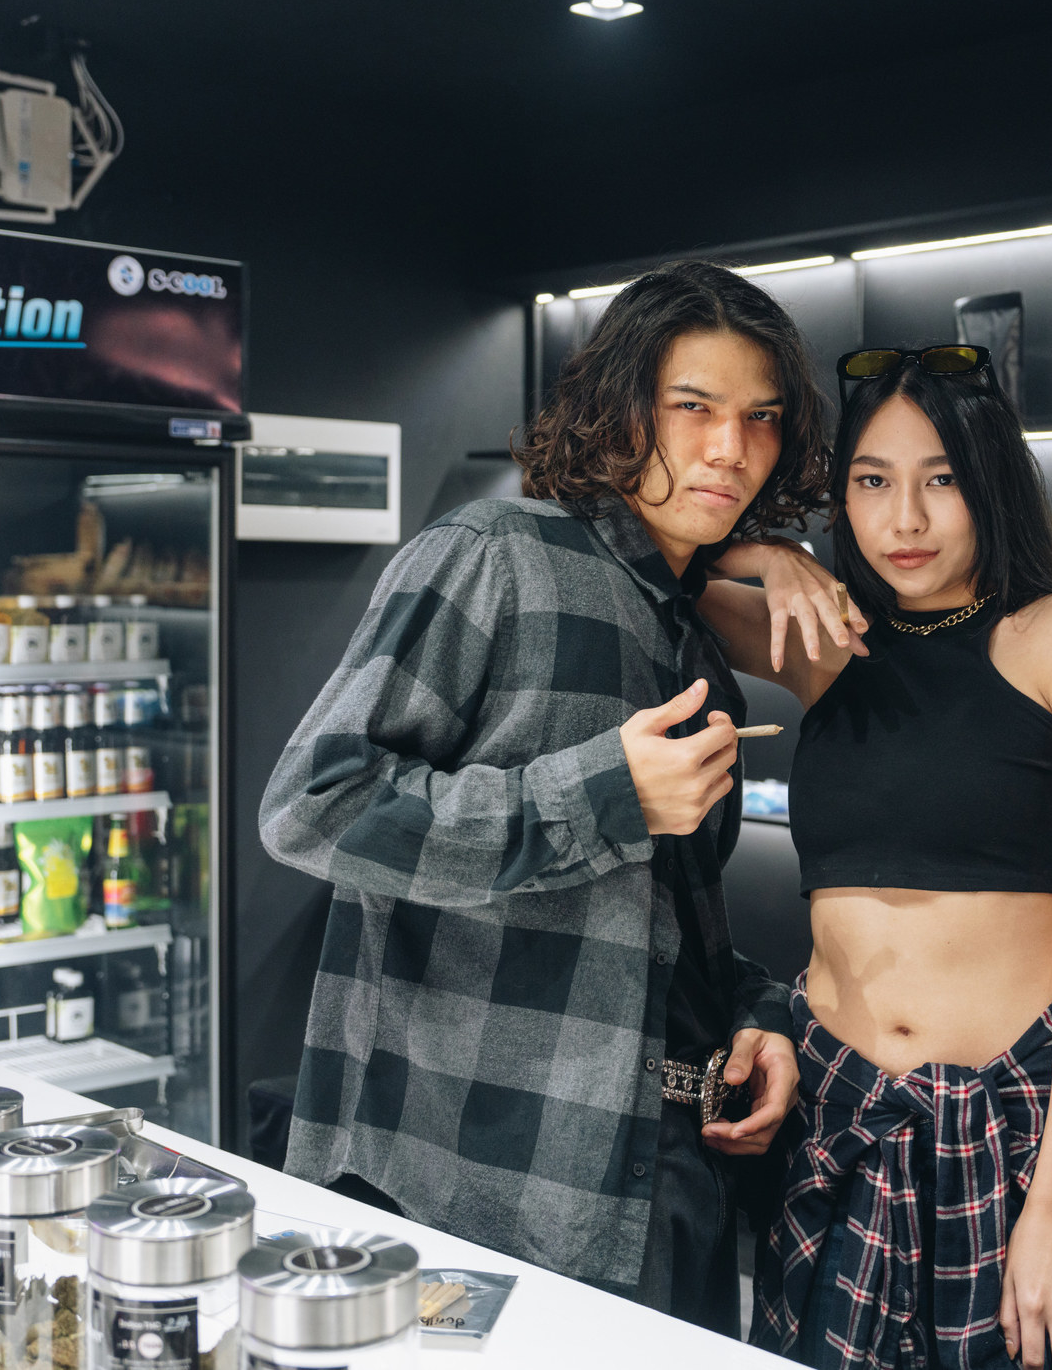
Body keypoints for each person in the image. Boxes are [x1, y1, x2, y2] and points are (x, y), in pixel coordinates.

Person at [257, 261, 834, 1331]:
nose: (730, 447)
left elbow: (657, 917)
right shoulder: (492, 553)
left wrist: (757, 1016)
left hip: (664, 1180)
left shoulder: (689, 624)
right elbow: (313, 805)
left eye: (761, 418)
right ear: (621, 408)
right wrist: (605, 794)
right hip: (471, 1185)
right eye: (693, 407)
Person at [700, 345, 1052, 1370]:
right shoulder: (829, 642)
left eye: (940, 479)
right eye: (872, 481)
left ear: (991, 482)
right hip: (838, 1124)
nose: (903, 520)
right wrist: (776, 557)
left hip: (1014, 1137)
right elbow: (668, 570)